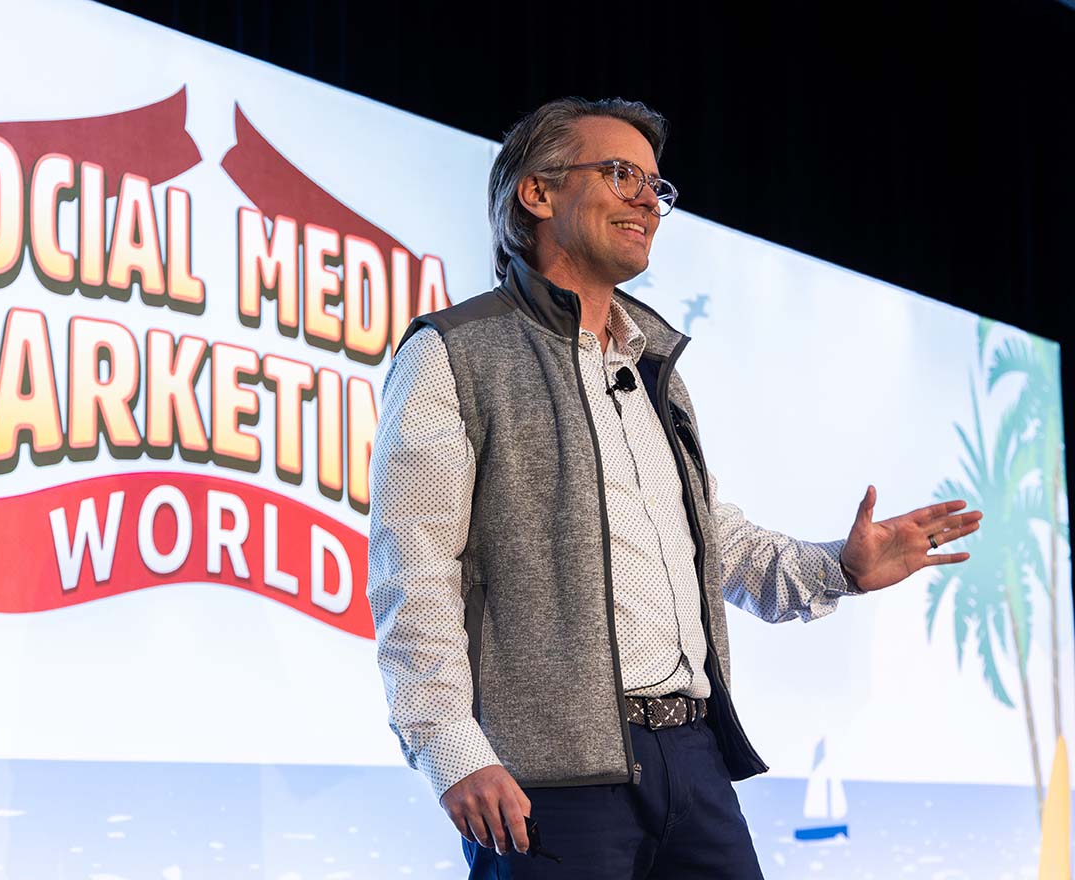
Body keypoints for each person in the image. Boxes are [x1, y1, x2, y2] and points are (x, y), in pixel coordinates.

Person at [366, 97, 981, 879]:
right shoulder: (454, 351)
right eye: (620, 174)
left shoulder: (653, 365)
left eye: (657, 186)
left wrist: (841, 568)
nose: (648, 200)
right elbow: (414, 572)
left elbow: (711, 540)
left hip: (692, 762)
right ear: (538, 193)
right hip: (550, 777)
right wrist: (452, 750)